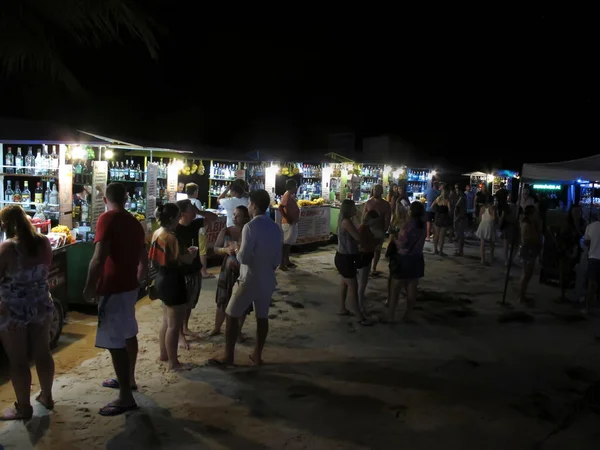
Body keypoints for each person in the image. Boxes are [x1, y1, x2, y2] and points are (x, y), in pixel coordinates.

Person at [83, 182, 148, 416]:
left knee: (115, 343)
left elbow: (98, 258)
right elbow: (144, 259)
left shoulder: (107, 219)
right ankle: (128, 380)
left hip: (113, 287)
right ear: (127, 197)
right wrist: (138, 281)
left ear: (106, 199)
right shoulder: (134, 222)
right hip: (129, 286)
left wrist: (90, 287)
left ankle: (126, 397)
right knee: (129, 333)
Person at [207, 189, 282, 366]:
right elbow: (277, 260)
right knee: (262, 317)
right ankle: (257, 354)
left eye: (249, 204)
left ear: (254, 206)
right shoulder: (275, 227)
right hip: (268, 279)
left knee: (231, 315)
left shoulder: (250, 227)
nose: (248, 206)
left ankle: (228, 356)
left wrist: (236, 248)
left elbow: (244, 258)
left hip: (249, 278)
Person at [0, 205, 55, 420]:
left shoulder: (7, 249)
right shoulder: (43, 242)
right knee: (43, 352)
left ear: (5, 225)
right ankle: (47, 397)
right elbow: (45, 270)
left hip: (13, 309)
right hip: (41, 303)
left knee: (18, 360)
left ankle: (24, 408)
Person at [149, 203, 197, 371]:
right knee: (174, 325)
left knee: (166, 320)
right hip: (173, 280)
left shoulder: (157, 233)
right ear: (172, 219)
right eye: (177, 217)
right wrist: (192, 253)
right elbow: (187, 260)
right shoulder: (171, 237)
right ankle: (173, 362)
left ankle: (164, 354)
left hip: (161, 278)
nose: (179, 220)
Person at [210, 205, 251, 339]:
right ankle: (217, 327)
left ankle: (238, 331)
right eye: (233, 214)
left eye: (237, 215)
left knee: (242, 302)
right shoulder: (226, 231)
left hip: (243, 272)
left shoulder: (249, 231)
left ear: (245, 217)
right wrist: (225, 250)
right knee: (222, 300)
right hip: (227, 272)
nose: (234, 217)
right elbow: (215, 248)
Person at [387, 201, 427, 323]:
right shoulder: (423, 225)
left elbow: (402, 244)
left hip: (403, 260)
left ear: (411, 211)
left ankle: (391, 316)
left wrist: (394, 238)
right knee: (411, 290)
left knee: (395, 290)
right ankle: (408, 315)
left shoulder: (408, 225)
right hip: (417, 259)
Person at [335, 199, 371, 325]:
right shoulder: (346, 222)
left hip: (343, 257)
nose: (356, 210)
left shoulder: (344, 221)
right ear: (349, 209)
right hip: (345, 258)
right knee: (353, 287)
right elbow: (358, 237)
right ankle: (359, 316)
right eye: (354, 208)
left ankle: (342, 308)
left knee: (345, 283)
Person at [174, 199, 205, 342]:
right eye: (191, 208)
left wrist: (198, 211)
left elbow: (213, 217)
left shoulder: (194, 224)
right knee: (181, 304)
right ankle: (180, 333)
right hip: (182, 272)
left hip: (195, 269)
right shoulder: (175, 230)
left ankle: (185, 327)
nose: (194, 209)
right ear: (184, 213)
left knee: (191, 302)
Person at [557, 205, 584, 302]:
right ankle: (563, 294)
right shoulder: (566, 223)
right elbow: (561, 238)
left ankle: (573, 292)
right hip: (566, 251)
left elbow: (584, 236)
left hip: (578, 251)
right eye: (574, 211)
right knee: (564, 272)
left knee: (574, 273)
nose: (576, 214)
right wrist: (567, 251)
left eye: (578, 212)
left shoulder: (582, 224)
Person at [363, 184, 391, 276]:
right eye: (374, 189)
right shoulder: (368, 202)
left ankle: (374, 267)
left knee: (377, 250)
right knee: (367, 250)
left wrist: (385, 230)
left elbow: (387, 218)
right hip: (369, 230)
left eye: (378, 190)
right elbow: (364, 216)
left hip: (379, 229)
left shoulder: (385, 204)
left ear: (381, 191)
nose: (376, 191)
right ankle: (366, 267)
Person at [518, 205, 542, 304]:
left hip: (531, 249)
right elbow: (526, 238)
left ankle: (522, 294)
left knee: (528, 273)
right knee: (527, 274)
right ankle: (521, 295)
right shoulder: (526, 224)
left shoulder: (532, 223)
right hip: (528, 250)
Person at [357, 210, 380, 314]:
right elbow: (362, 245)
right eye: (374, 221)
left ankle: (360, 301)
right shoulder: (363, 228)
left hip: (367, 255)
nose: (375, 223)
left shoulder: (365, 227)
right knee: (362, 282)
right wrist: (375, 243)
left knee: (363, 282)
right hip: (364, 256)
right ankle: (360, 305)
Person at [279, 179, 300, 271]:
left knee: (288, 244)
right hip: (288, 223)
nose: (296, 188)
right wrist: (288, 218)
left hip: (291, 222)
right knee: (285, 244)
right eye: (295, 186)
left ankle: (286, 261)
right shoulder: (287, 195)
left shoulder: (289, 195)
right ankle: (282, 263)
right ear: (292, 187)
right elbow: (280, 207)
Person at [475, 197, 497, 265]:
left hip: (483, 224)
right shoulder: (492, 209)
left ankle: (482, 259)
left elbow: (479, 218)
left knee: (482, 243)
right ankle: (491, 257)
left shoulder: (482, 208)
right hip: (489, 225)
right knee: (491, 243)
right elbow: (494, 218)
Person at [431, 186, 452, 256]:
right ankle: (441, 251)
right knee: (442, 236)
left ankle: (435, 250)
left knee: (436, 235)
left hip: (437, 217)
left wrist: (437, 211)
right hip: (444, 218)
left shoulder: (438, 198)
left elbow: (432, 206)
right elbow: (450, 210)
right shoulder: (447, 200)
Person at [499, 197, 519, 266]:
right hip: (515, 226)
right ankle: (511, 259)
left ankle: (506, 260)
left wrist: (500, 226)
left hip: (507, 226)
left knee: (506, 245)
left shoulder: (507, 207)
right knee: (515, 245)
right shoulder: (518, 208)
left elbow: (502, 217)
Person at [453, 185, 467, 256]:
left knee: (460, 235)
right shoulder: (461, 198)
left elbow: (461, 210)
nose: (456, 191)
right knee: (459, 235)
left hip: (460, 219)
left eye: (457, 189)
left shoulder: (462, 198)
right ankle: (459, 250)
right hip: (460, 218)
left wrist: (457, 218)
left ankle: (460, 251)